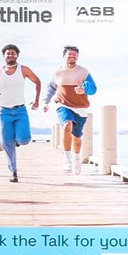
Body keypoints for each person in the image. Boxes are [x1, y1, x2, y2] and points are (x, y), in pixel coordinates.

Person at [0, 44, 41, 183]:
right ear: (3, 56)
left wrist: (36, 101)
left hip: (20, 110)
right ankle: (13, 172)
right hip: (3, 111)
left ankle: (18, 140)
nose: (10, 55)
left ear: (17, 55)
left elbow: (37, 81)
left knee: (24, 140)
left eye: (13, 53)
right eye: (7, 53)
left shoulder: (24, 69)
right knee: (6, 143)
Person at [43, 45, 97, 174]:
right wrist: (45, 102)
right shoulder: (57, 72)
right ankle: (67, 159)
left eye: (75, 54)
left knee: (77, 137)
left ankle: (76, 157)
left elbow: (93, 89)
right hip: (63, 105)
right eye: (69, 54)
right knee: (67, 125)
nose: (72, 56)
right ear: (64, 56)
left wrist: (83, 90)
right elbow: (51, 89)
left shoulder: (84, 71)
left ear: (77, 57)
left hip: (80, 107)